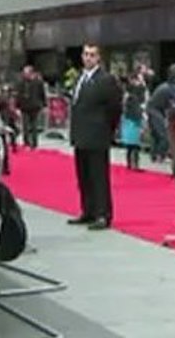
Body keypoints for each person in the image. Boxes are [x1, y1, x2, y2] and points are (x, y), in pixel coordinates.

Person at [68, 42, 122, 231]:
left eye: (92, 55)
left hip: (98, 135)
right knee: (83, 176)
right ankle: (88, 210)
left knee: (99, 177)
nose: (88, 58)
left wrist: (107, 129)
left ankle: (102, 214)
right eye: (85, 54)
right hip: (81, 135)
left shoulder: (106, 80)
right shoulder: (80, 78)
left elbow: (115, 107)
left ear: (98, 58)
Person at [148, 64, 175, 162]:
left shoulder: (166, 86)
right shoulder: (169, 88)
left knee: (156, 135)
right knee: (163, 136)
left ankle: (155, 155)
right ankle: (160, 155)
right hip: (155, 110)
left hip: (155, 109)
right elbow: (174, 104)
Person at [121, 70, 148, 170]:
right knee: (135, 143)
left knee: (131, 144)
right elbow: (142, 89)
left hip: (130, 118)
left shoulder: (129, 92)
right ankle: (134, 164)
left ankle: (130, 164)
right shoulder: (134, 91)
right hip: (134, 119)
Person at [16, 65, 46, 148]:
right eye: (24, 73)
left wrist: (44, 105)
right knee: (25, 126)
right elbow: (19, 95)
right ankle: (26, 142)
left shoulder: (38, 82)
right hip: (24, 106)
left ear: (31, 73)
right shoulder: (21, 82)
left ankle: (34, 143)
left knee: (34, 126)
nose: (25, 75)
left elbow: (42, 93)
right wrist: (17, 106)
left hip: (34, 106)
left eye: (26, 73)